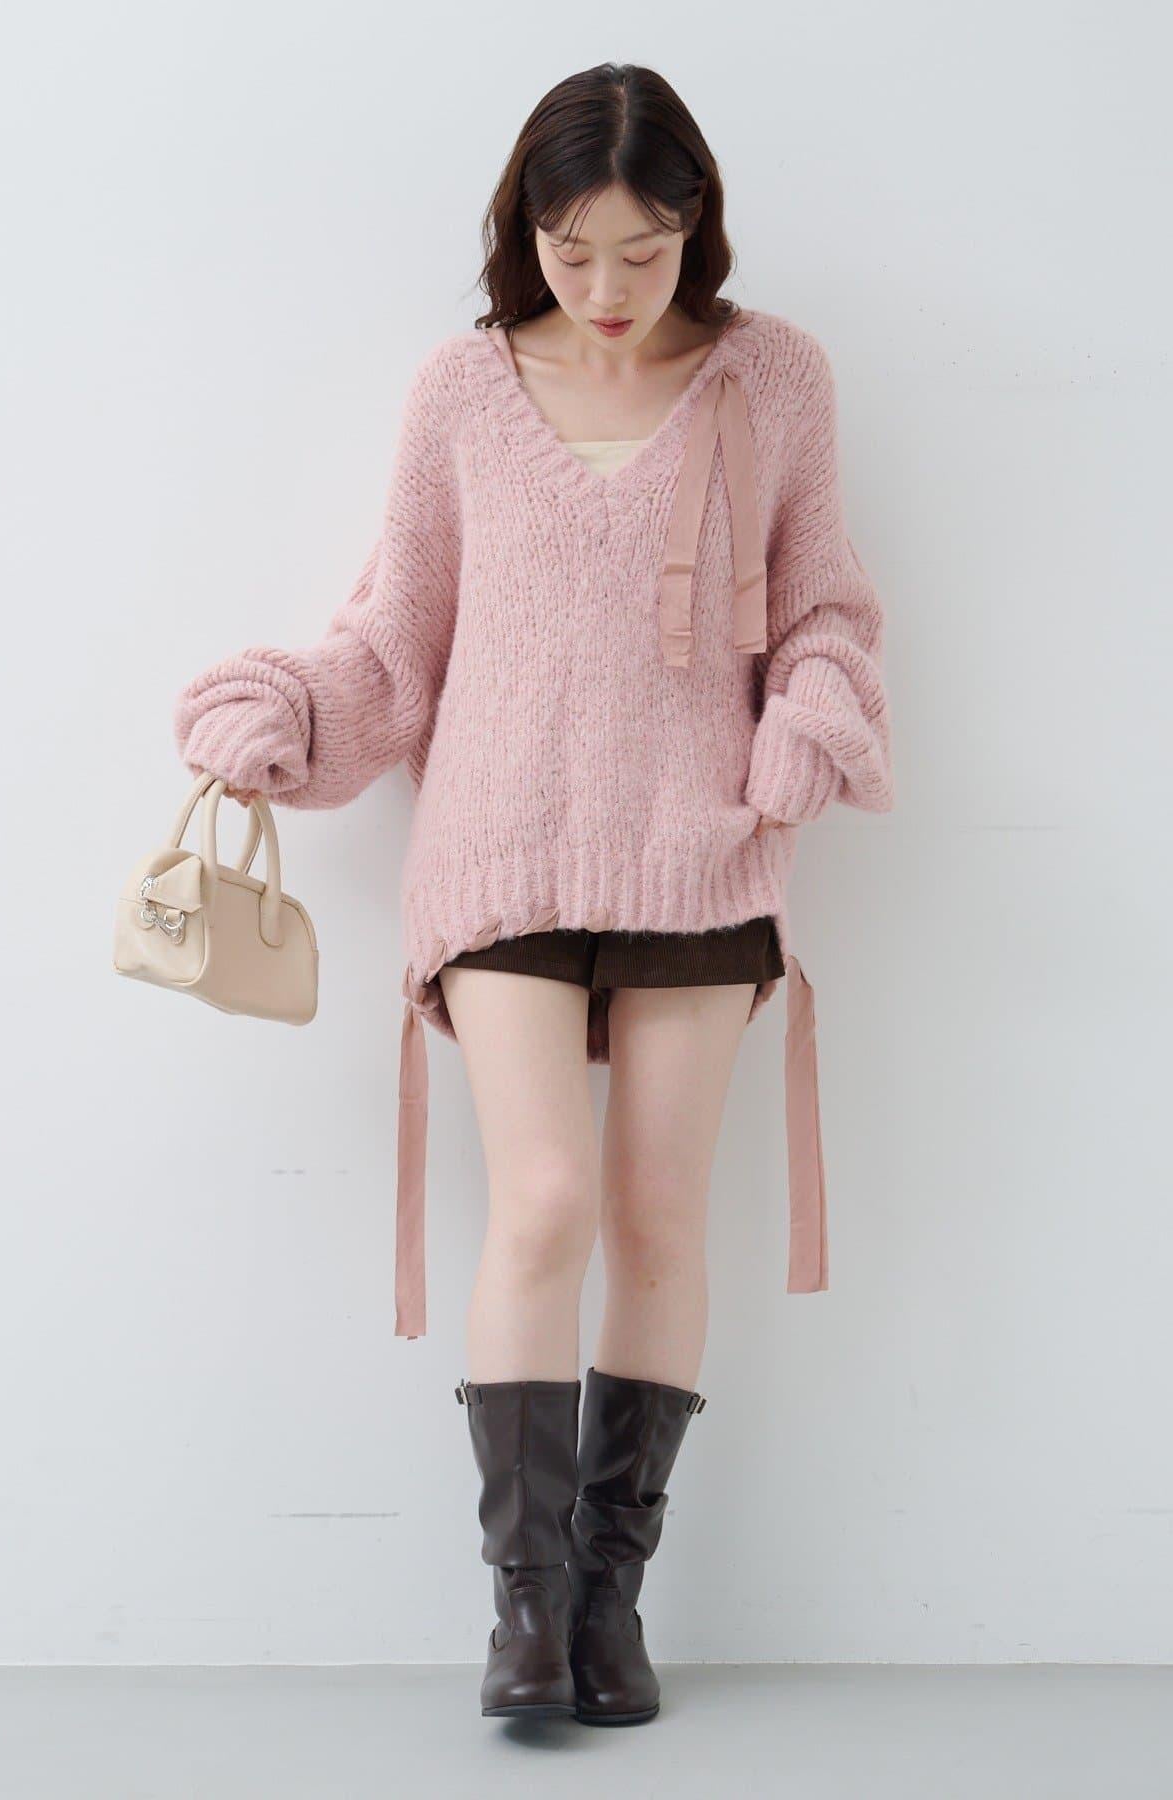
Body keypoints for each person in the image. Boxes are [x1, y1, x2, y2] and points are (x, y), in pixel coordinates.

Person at [171, 61, 893, 1726]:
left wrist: (812, 721)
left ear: (696, 225)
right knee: (546, 1199)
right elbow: (393, 643)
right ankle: (526, 1610)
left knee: (656, 1216)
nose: (608, 288)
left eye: (643, 251)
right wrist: (285, 715)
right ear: (526, 231)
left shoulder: (776, 378)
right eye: (573, 252)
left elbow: (829, 611)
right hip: (498, 855)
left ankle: (611, 1601)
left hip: (703, 852)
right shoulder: (461, 390)